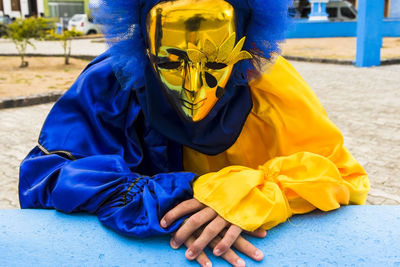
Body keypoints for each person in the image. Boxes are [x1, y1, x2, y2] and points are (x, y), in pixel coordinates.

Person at [19, 0, 370, 266]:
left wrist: (262, 190)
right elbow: (45, 175)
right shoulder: (112, 83)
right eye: (169, 63)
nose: (193, 88)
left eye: (216, 62)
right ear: (144, 48)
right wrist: (184, 195)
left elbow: (342, 174)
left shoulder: (270, 89)